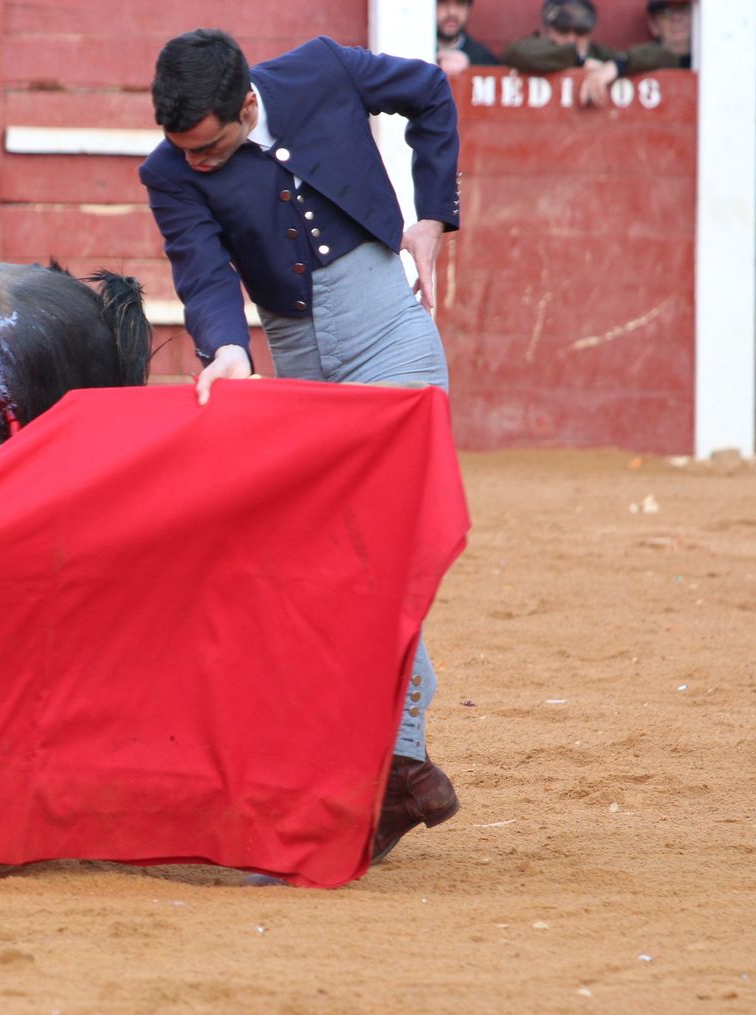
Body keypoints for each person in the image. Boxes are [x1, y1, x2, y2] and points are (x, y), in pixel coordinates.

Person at [138, 28, 462, 863]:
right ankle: (401, 769)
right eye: (185, 152)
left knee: (374, 555)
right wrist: (228, 349)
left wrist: (431, 217)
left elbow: (428, 90)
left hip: (394, 339)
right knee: (321, 567)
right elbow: (203, 271)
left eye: (210, 148)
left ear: (248, 103)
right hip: (301, 369)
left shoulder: (320, 70)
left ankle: (398, 762)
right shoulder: (168, 172)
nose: (196, 165)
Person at [502, 0, 685, 106]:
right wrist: (580, 61)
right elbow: (516, 53)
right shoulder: (533, 47)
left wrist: (617, 66)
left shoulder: (597, 53)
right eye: (563, 31)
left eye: (580, 32)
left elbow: (665, 56)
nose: (571, 39)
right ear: (546, 29)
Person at [437, 0, 499, 76]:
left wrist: (471, 68)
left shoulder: (484, 59)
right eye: (442, 3)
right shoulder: (418, 53)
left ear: (468, 8)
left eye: (460, 4)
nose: (452, 12)